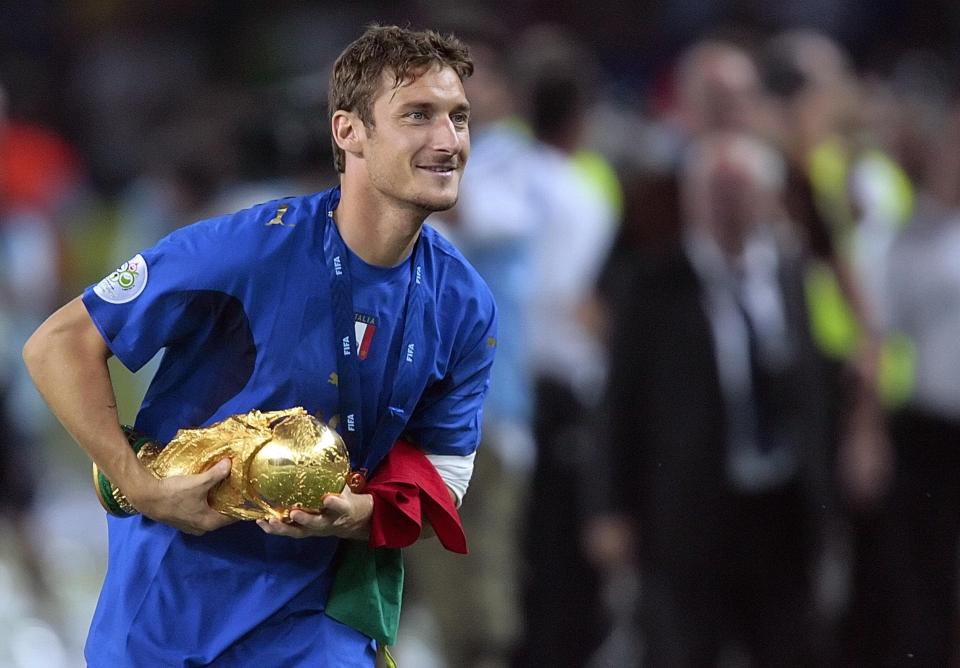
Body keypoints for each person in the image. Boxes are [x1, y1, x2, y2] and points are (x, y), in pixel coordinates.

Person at [22, 24, 496, 667]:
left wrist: (354, 514)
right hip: (176, 613)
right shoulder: (248, 249)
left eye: (459, 118)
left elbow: (443, 474)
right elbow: (58, 344)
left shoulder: (463, 302)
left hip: (319, 621)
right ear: (348, 131)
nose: (449, 141)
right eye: (418, 116)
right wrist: (143, 486)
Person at [600, 132, 832, 666]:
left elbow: (813, 388)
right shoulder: (652, 283)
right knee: (688, 647)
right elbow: (620, 403)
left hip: (782, 507)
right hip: (691, 511)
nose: (726, 205)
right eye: (714, 191)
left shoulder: (789, 272)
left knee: (787, 644)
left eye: (740, 190)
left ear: (767, 198)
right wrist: (611, 505)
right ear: (691, 200)